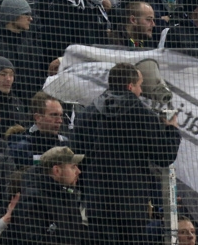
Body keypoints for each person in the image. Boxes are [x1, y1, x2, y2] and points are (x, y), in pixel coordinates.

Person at [72, 63, 181, 244]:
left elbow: (76, 156)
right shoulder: (143, 115)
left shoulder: (87, 113)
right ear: (130, 86)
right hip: (131, 205)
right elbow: (164, 156)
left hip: (97, 204)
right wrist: (171, 129)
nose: (140, 90)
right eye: (139, 85)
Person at [11, 146, 87, 245]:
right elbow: (33, 240)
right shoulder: (33, 198)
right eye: (73, 167)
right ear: (57, 170)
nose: (78, 171)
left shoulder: (68, 193)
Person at [8, 92, 70, 169]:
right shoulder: (20, 146)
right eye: (54, 115)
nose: (59, 120)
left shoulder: (64, 143)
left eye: (61, 115)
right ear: (38, 117)